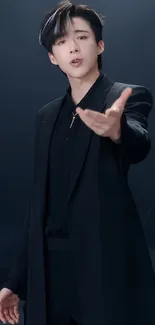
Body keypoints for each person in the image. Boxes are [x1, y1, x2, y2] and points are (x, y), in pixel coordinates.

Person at [0, 1, 155, 325]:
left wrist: (118, 130)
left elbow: (139, 143)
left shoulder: (127, 95)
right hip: (49, 272)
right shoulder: (46, 116)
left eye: (82, 37)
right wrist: (15, 282)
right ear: (52, 57)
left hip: (104, 268)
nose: (73, 47)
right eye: (61, 41)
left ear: (99, 45)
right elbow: (37, 200)